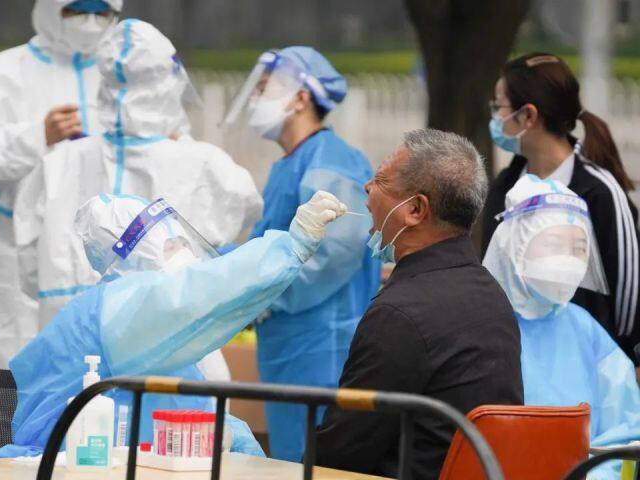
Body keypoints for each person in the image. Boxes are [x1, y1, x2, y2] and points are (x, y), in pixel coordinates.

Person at [0, 190, 347, 457]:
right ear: (133, 255)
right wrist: (291, 245)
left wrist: (233, 440)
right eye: (172, 245)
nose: (185, 254)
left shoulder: (145, 331)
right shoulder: (115, 311)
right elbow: (199, 292)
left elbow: (188, 407)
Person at [14, 19, 262, 383]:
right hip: (172, 356)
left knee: (78, 420)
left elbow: (28, 269)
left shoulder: (58, 164)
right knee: (176, 420)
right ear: (170, 82)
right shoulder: (206, 166)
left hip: (70, 354)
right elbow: (244, 217)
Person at [315, 129, 524, 480]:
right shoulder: (491, 295)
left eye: (381, 180)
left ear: (415, 209)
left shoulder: (400, 314)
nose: (367, 187)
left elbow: (340, 453)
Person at [0, 0, 124, 368]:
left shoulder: (117, 72)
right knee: (19, 359)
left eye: (101, 13)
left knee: (98, 365)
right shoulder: (10, 70)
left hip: (102, 250)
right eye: (77, 10)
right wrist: (36, 136)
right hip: (18, 249)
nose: (90, 22)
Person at [221, 46, 381, 462]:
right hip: (292, 349)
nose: (255, 98)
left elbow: (330, 256)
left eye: (264, 88)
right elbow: (271, 247)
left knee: (316, 464)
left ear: (301, 98)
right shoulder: (292, 165)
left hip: (324, 348)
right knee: (293, 461)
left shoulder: (331, 161)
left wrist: (260, 292)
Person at [480, 53, 640, 362]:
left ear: (528, 115)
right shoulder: (506, 186)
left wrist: (624, 363)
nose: (495, 119)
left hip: (586, 366)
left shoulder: (599, 192)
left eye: (498, 107)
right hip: (512, 363)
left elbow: (628, 296)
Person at [483, 175, 640, 480]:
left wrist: (593, 475)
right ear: (514, 246)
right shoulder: (483, 325)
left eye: (579, 247)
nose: (568, 261)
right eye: (554, 245)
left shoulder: (585, 329)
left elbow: (628, 427)